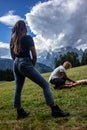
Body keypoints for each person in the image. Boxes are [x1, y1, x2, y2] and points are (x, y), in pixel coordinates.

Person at [10, 20, 70, 119]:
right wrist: (30, 66)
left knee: (18, 89)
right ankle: (54, 109)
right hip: (25, 63)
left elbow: (12, 56)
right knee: (45, 84)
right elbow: (34, 55)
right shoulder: (28, 38)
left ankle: (20, 112)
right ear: (25, 28)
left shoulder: (12, 40)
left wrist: (18, 62)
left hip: (16, 64)